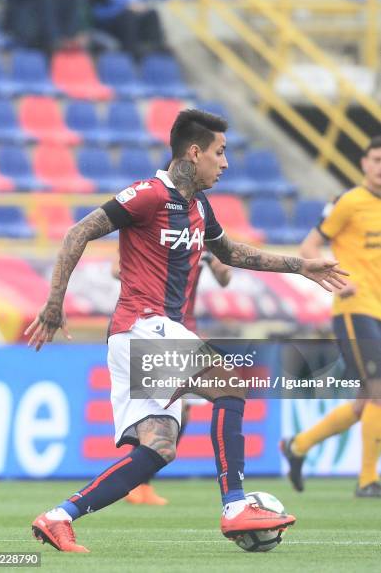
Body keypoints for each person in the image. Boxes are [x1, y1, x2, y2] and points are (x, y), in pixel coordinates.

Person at [25, 109, 347, 552]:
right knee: (231, 387)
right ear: (194, 153)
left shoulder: (198, 206)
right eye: (220, 153)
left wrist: (301, 265)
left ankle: (59, 516)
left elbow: (231, 253)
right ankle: (235, 505)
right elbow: (79, 232)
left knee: (158, 449)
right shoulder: (149, 195)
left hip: (148, 332)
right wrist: (54, 304)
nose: (226, 163)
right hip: (141, 325)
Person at [281, 136, 381, 498]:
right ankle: (368, 480)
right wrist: (337, 286)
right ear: (364, 163)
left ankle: (299, 445)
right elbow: (310, 246)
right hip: (356, 308)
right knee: (377, 392)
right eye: (375, 159)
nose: (379, 167)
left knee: (363, 403)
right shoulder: (348, 202)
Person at [115, 249, 232, 505]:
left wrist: (216, 262)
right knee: (169, 408)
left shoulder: (202, 240)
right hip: (152, 326)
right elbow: (117, 270)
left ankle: (141, 482)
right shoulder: (153, 235)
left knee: (184, 411)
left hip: (185, 328)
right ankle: (136, 482)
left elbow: (225, 279)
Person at [91, 0, 167, 60]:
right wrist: (124, 8)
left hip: (131, 23)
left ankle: (156, 48)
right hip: (111, 26)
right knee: (128, 16)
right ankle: (132, 52)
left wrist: (141, 9)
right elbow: (98, 14)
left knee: (152, 13)